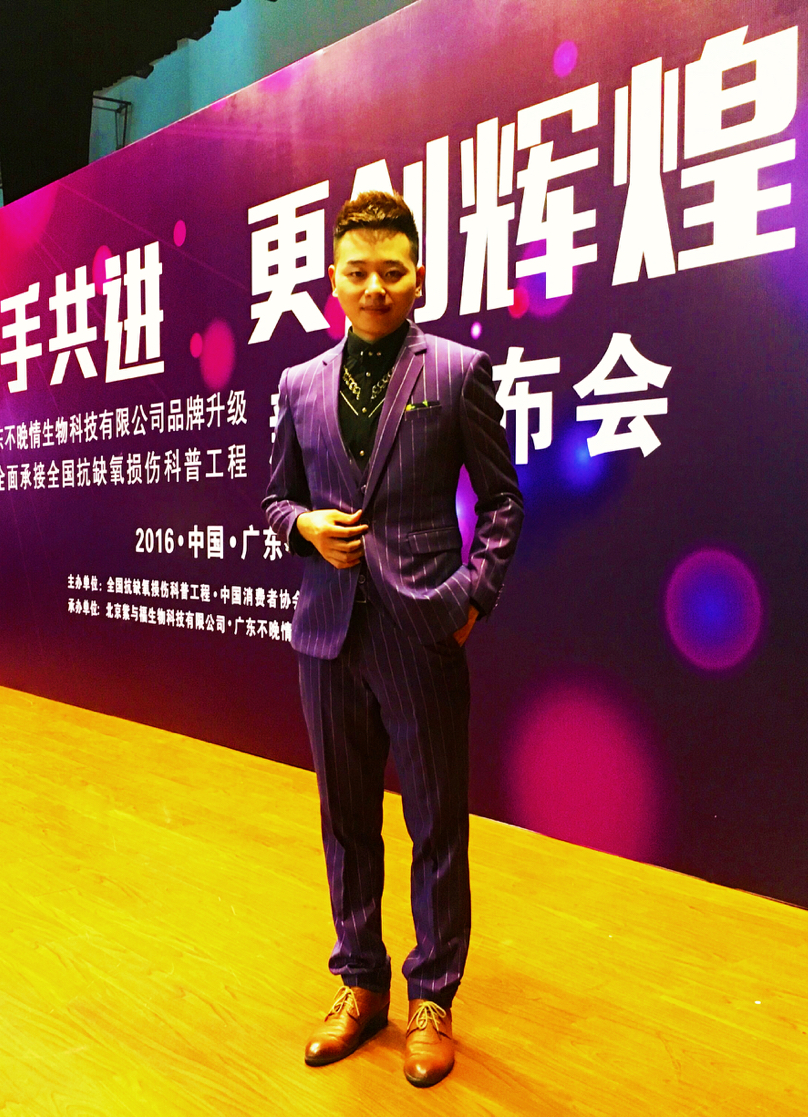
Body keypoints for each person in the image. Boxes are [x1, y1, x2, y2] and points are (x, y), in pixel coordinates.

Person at [262, 191, 523, 1087]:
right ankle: (359, 981)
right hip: (326, 633)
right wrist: (304, 527)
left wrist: (471, 596)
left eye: (391, 271)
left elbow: (502, 500)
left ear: (418, 279)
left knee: (435, 821)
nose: (374, 287)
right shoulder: (299, 385)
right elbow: (275, 500)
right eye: (358, 272)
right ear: (332, 282)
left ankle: (433, 996)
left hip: (422, 632)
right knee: (345, 819)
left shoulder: (457, 370)